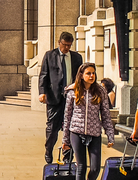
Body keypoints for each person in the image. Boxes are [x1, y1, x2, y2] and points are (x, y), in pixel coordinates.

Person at [62, 63, 114, 180]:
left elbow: (106, 114)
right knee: (81, 167)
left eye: (93, 73)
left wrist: (110, 134)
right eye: (88, 73)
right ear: (81, 75)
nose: (91, 76)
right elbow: (67, 116)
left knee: (95, 169)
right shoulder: (73, 92)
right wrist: (65, 139)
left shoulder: (100, 91)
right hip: (76, 131)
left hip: (94, 132)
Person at [39, 31, 84, 165]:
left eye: (69, 46)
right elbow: (43, 75)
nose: (66, 48)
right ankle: (49, 150)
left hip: (71, 98)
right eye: (64, 45)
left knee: (70, 128)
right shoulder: (49, 55)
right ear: (59, 42)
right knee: (52, 128)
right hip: (54, 97)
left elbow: (79, 77)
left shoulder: (77, 57)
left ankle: (67, 156)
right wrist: (42, 92)